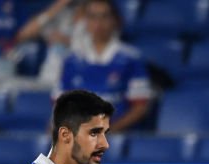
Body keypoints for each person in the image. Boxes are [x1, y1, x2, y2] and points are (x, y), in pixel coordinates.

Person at [58, 0, 151, 132]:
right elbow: (60, 104)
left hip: (117, 136)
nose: (98, 23)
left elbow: (140, 106)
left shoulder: (131, 58)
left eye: (104, 16)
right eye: (92, 17)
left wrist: (109, 131)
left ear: (115, 20)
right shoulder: (72, 60)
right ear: (85, 21)